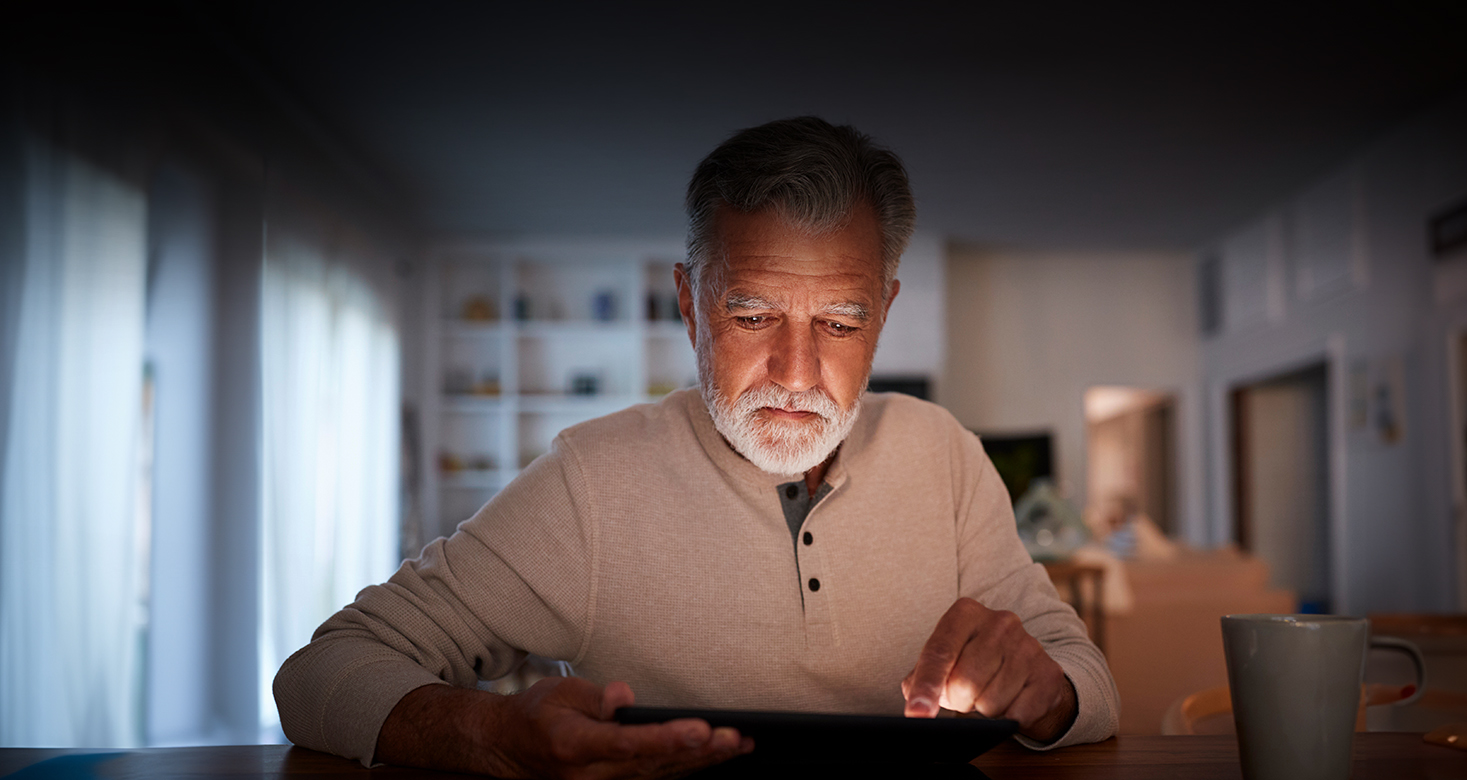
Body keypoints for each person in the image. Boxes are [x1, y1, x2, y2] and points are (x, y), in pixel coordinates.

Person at [274, 116, 1118, 778]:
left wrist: (1046, 693)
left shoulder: (945, 455)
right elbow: (321, 675)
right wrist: (491, 734)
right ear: (687, 299)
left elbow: (1088, 678)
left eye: (840, 322)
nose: (797, 372)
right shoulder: (591, 484)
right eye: (752, 317)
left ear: (885, 314)